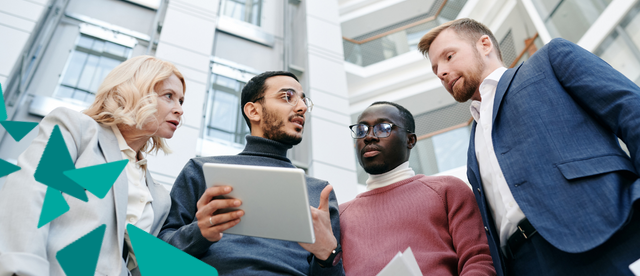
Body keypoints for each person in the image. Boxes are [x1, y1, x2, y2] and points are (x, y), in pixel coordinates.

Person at [418, 18, 640, 276]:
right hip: (525, 264)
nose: (442, 72)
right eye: (436, 70)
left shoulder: (550, 61)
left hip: (607, 232)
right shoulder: (473, 141)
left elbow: (630, 111)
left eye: (449, 56)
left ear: (485, 44)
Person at [0, 56, 186, 276]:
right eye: (169, 96)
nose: (179, 110)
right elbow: (29, 194)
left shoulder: (160, 196)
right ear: (136, 91)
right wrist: (22, 270)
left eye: (181, 101)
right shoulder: (76, 130)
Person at [159, 71, 344, 276]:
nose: (302, 107)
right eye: (287, 97)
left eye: (303, 100)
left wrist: (328, 255)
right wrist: (199, 232)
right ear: (253, 111)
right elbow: (158, 252)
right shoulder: (200, 170)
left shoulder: (320, 193)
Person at [339, 101, 496, 276]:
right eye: (361, 130)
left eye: (383, 128)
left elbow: (479, 260)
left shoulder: (447, 190)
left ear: (410, 140)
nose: (368, 137)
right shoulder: (339, 216)